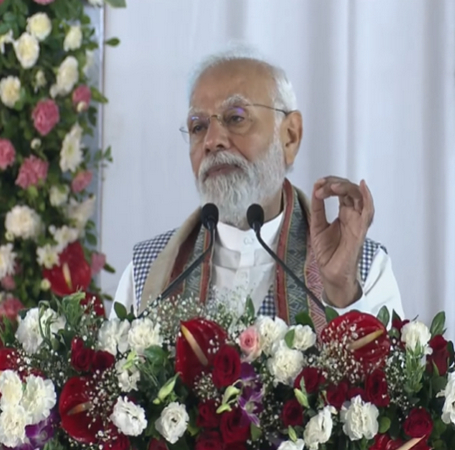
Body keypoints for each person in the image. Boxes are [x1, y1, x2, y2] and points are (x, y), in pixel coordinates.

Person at [112, 46, 404, 330]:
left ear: (290, 136)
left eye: (235, 118)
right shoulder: (148, 272)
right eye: (198, 127)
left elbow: (387, 364)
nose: (212, 141)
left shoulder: (365, 267)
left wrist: (341, 290)